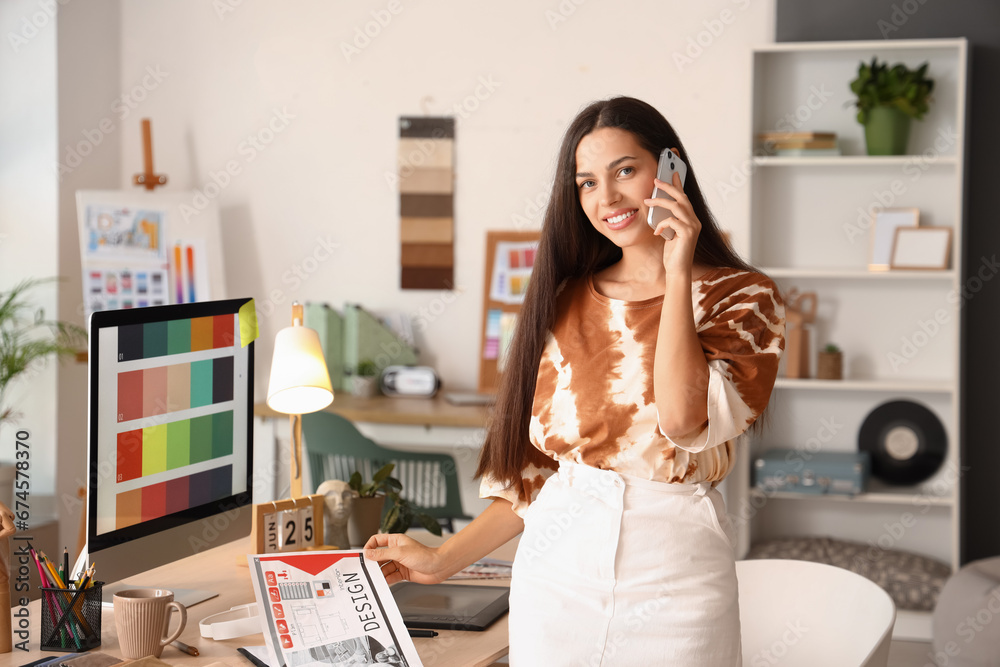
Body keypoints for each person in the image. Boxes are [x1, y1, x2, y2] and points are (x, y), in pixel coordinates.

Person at [365, 96, 785, 666]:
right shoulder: (561, 300)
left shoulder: (744, 298)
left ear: (671, 170)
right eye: (586, 182)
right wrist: (440, 561)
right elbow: (539, 478)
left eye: (625, 171)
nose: (606, 198)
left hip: (674, 574)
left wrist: (678, 268)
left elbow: (687, 421)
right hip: (555, 575)